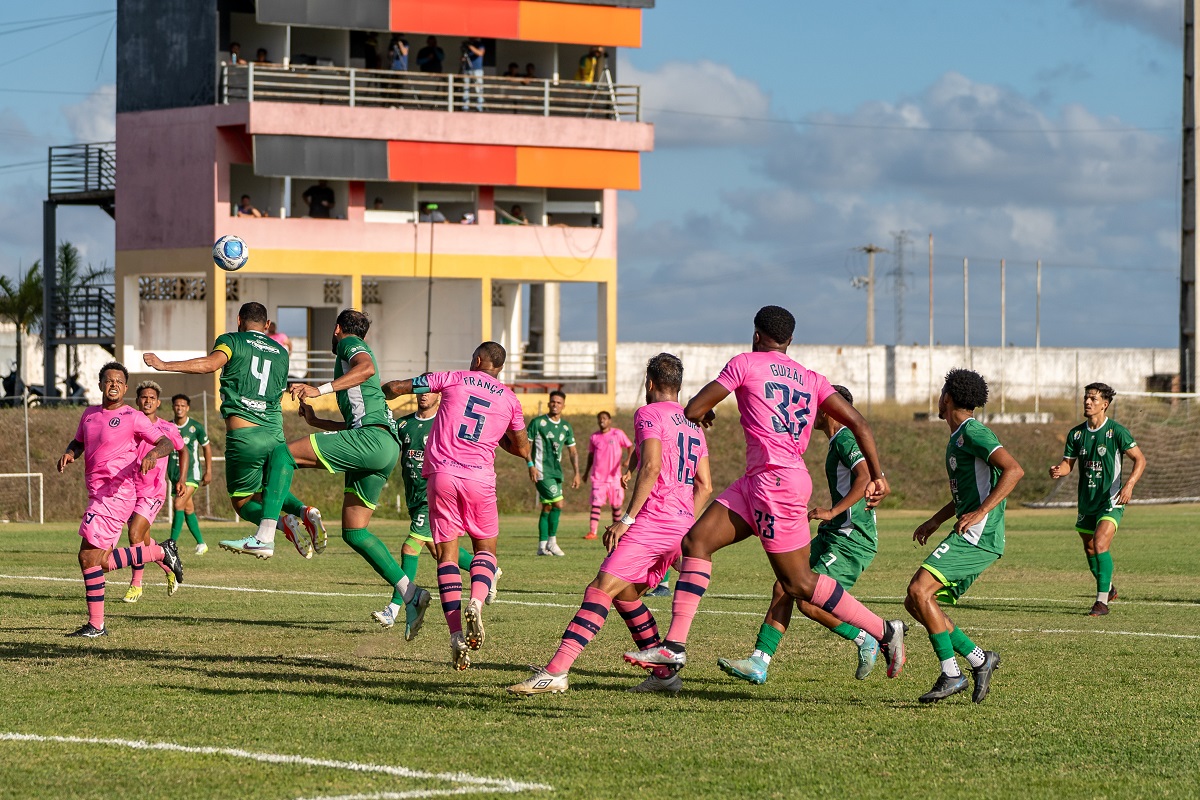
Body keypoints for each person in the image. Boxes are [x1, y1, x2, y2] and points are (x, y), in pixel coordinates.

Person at [623, 306, 907, 689]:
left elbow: (693, 408)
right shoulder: (812, 378)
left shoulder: (745, 363)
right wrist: (879, 475)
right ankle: (673, 649)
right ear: (790, 340)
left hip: (777, 484)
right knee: (696, 541)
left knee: (800, 584)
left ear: (757, 335)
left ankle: (885, 631)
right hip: (756, 482)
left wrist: (704, 414)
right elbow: (859, 422)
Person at [510, 353, 711, 695]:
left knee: (601, 588)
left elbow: (650, 467)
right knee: (626, 594)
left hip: (653, 522)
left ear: (649, 384)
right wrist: (685, 522)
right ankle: (665, 676)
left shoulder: (647, 413)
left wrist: (626, 520)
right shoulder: (693, 422)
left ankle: (556, 672)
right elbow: (705, 485)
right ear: (677, 386)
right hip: (683, 527)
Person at [254, 309, 432, 640]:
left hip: (372, 439)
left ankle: (265, 534)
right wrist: (317, 421)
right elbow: (357, 420)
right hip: (381, 446)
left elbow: (365, 369)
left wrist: (317, 390)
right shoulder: (351, 356)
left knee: (282, 454)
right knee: (354, 531)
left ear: (337, 329)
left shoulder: (349, 344)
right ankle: (412, 596)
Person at [717, 385, 882, 685]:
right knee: (784, 585)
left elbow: (866, 476)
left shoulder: (845, 438)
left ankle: (866, 638)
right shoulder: (837, 442)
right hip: (834, 534)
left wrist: (834, 511)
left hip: (851, 539)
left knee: (808, 601)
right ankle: (759, 662)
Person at [382, 342, 531, 671]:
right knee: (485, 551)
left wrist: (386, 390)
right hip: (480, 479)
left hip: (442, 475)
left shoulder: (453, 378)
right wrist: (499, 435)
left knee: (446, 555)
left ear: (477, 360)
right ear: (499, 367)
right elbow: (522, 448)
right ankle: (477, 601)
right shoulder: (509, 399)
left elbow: (398, 387)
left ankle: (455, 636)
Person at [143, 301, 323, 559]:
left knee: (242, 502)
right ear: (268, 326)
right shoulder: (281, 352)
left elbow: (210, 364)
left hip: (245, 436)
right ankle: (304, 511)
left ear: (239, 320)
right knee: (268, 490)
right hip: (274, 435)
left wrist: (164, 364)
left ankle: (284, 525)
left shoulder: (232, 340)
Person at [907, 369, 1022, 703]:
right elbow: (966, 495)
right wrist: (935, 520)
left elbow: (1014, 470)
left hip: (979, 535)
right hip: (968, 529)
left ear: (948, 398)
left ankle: (951, 674)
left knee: (919, 591)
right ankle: (980, 660)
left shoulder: (974, 432)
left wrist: (981, 512)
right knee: (916, 602)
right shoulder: (958, 436)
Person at [57, 362, 184, 637]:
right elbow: (79, 441)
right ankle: (159, 553)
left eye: (119, 381)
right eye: (108, 380)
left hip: (116, 493)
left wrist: (152, 454)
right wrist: (70, 452)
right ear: (101, 384)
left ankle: (97, 623)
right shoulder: (89, 414)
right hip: (98, 494)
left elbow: (166, 443)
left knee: (88, 556)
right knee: (95, 559)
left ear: (125, 388)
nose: (113, 384)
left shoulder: (132, 416)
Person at [374, 391, 486, 630]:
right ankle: (487, 568)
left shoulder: (446, 422)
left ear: (439, 396)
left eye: (429, 391)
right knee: (440, 551)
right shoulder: (404, 424)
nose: (423, 395)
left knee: (410, 546)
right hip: (414, 497)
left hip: (435, 496)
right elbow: (379, 439)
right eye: (420, 391)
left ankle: (395, 608)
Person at [1049, 382, 1145, 616]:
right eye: (1086, 398)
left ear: (1105, 404)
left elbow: (1140, 460)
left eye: (1093, 399)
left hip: (1111, 499)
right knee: (1090, 548)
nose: (1087, 402)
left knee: (1101, 543)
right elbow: (1068, 465)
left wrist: (1129, 485)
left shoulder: (1117, 432)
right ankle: (1109, 588)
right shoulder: (1077, 433)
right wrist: (1058, 470)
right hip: (1087, 501)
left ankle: (1102, 602)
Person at [122, 380, 187, 604]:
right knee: (145, 541)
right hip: (129, 490)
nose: (147, 400)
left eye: (152, 397)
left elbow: (183, 450)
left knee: (134, 536)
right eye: (143, 397)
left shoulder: (167, 428)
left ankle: (136, 584)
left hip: (153, 492)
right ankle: (168, 565)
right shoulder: (128, 424)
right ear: (137, 401)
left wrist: (182, 478)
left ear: (158, 402)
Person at [530, 390, 580, 556]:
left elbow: (572, 452)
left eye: (559, 402)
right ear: (548, 403)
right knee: (558, 504)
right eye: (552, 402)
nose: (555, 405)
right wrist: (530, 465)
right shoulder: (537, 423)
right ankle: (552, 542)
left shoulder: (566, 427)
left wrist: (577, 473)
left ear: (563, 406)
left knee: (547, 507)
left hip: (556, 472)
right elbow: (525, 446)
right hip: (542, 471)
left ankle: (542, 546)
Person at [167, 393, 212, 555]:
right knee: (187, 509)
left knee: (178, 504)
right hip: (175, 475)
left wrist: (208, 470)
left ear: (188, 408)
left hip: (192, 474)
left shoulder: (195, 427)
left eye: (183, 405)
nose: (179, 408)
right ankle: (201, 543)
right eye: (177, 405)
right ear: (173, 407)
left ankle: (171, 544)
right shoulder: (167, 426)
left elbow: (206, 447)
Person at [584, 411, 631, 540]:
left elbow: (630, 446)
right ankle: (593, 532)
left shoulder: (617, 434)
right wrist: (586, 472)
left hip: (615, 478)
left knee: (616, 506)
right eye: (599, 419)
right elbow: (591, 456)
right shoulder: (594, 437)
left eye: (604, 418)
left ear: (609, 420)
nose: (602, 421)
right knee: (596, 505)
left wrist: (628, 459)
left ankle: (617, 531)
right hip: (598, 478)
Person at [460, 38, 485, 112]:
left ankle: (479, 106)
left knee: (478, 88)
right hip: (467, 69)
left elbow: (480, 53)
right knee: (465, 88)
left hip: (477, 70)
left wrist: (470, 46)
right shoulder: (467, 47)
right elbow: (463, 57)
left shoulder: (480, 44)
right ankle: (465, 106)